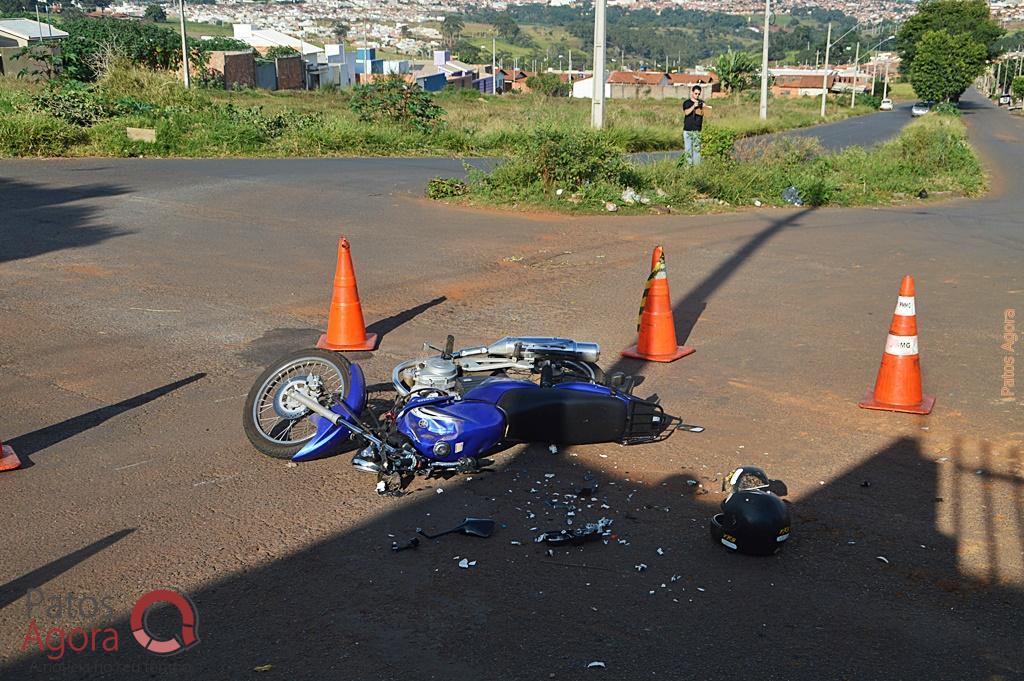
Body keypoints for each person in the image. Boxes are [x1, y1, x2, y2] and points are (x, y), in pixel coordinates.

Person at [682, 85, 707, 166]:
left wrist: (704, 108)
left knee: (697, 151)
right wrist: (694, 106)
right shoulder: (687, 102)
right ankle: (688, 169)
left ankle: (697, 169)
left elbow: (705, 114)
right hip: (687, 130)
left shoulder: (702, 103)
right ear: (692, 92)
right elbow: (686, 112)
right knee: (688, 150)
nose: (697, 95)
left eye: (698, 94)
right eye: (696, 93)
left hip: (697, 130)